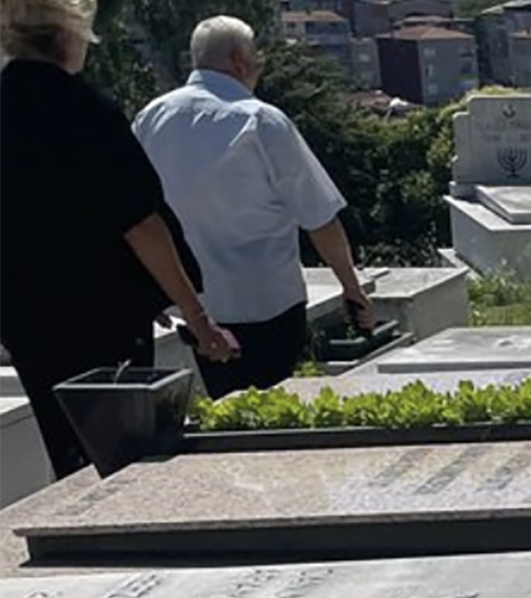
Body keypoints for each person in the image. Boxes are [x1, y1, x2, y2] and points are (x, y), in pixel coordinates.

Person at [0, 0, 237, 479]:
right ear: (69, 37)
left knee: (67, 449)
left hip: (23, 312)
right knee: (124, 455)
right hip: (99, 312)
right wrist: (196, 315)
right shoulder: (84, 110)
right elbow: (141, 222)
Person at [133, 16, 374, 398]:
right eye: (257, 60)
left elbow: (134, 215)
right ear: (239, 61)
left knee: (222, 416)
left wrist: (147, 287)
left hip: (192, 306)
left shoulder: (151, 118)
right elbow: (319, 218)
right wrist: (352, 287)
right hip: (267, 303)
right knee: (274, 416)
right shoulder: (262, 121)